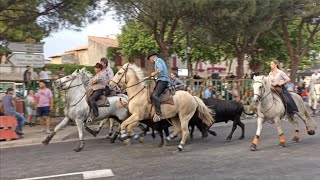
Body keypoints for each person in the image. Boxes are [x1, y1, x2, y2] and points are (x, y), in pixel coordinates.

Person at [147, 51, 170, 122]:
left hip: (163, 80)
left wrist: (154, 73)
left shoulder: (158, 60)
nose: (150, 61)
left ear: (151, 57)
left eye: (149, 59)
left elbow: (160, 70)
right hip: (160, 80)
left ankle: (158, 113)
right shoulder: (158, 61)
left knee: (155, 95)